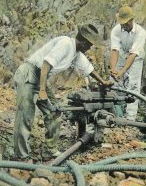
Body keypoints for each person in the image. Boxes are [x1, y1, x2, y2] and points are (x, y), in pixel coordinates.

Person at [13, 24, 113, 161]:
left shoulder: (76, 53)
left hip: (41, 77)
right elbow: (46, 64)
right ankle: (20, 157)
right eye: (89, 44)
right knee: (25, 115)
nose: (90, 48)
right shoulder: (66, 43)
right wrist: (42, 90)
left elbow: (88, 69)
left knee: (54, 111)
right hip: (29, 73)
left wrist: (103, 82)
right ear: (83, 42)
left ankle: (50, 151)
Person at [110, 6, 146, 121]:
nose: (123, 26)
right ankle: (116, 114)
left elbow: (133, 54)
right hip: (121, 54)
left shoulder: (141, 32)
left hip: (136, 57)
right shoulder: (116, 30)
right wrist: (114, 69)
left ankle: (130, 117)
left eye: (125, 23)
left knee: (133, 86)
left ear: (131, 20)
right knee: (115, 84)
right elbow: (114, 50)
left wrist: (122, 71)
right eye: (121, 24)